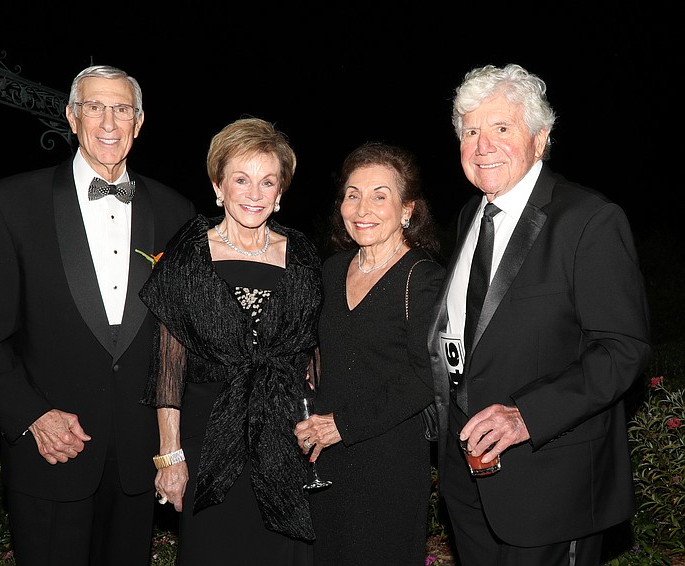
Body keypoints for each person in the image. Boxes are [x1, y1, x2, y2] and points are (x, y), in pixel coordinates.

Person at [0, 64, 195, 566]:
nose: (109, 122)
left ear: (140, 121)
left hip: (137, 461)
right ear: (71, 116)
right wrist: (33, 417)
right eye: (95, 107)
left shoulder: (177, 214)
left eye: (122, 109)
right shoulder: (8, 203)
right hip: (49, 454)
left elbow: (181, 338)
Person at [427, 63, 653, 565]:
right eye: (471, 131)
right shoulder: (469, 216)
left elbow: (622, 349)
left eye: (501, 128)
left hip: (550, 483)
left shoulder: (589, 220)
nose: (482, 145)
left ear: (540, 138)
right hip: (467, 480)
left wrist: (526, 415)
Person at [139, 117, 322, 566]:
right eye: (241, 179)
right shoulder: (188, 254)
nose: (254, 194)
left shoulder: (301, 254)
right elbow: (168, 364)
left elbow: (314, 351)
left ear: (280, 194)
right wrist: (170, 455)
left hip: (284, 435)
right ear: (218, 186)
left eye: (267, 182)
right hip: (209, 434)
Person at [294, 141, 445, 565]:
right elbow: (326, 351)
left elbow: (425, 377)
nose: (363, 208)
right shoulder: (333, 269)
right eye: (353, 195)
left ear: (407, 210)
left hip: (389, 462)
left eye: (381, 196)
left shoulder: (424, 279)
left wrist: (343, 424)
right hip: (325, 460)